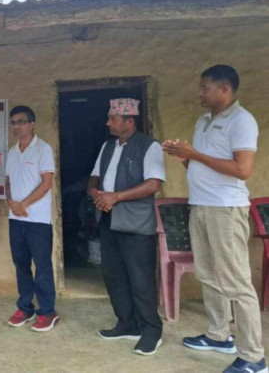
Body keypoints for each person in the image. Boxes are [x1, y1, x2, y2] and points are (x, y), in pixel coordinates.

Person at [163, 65, 266, 373]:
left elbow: (242, 170)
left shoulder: (241, 120)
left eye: (204, 87)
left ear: (224, 89)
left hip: (225, 210)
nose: (199, 93)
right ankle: (219, 335)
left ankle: (254, 357)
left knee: (237, 283)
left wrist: (194, 154)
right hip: (201, 206)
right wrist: (184, 157)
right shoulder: (203, 120)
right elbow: (205, 166)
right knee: (208, 275)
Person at [87, 98, 165, 356]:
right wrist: (96, 194)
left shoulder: (150, 146)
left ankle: (151, 330)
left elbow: (154, 184)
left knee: (141, 278)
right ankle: (127, 323)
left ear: (129, 121)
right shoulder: (108, 146)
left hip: (135, 223)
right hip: (108, 219)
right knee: (114, 275)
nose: (108, 123)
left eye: (113, 119)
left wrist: (116, 197)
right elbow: (94, 177)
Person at [4, 106, 58, 332]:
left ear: (32, 124)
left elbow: (46, 183)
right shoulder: (12, 152)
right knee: (21, 264)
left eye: (21, 122)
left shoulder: (43, 149)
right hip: (15, 218)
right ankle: (25, 307)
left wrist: (23, 204)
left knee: (42, 266)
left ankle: (48, 312)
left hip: (37, 220)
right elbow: (7, 181)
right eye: (13, 122)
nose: (16, 126)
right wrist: (11, 202)